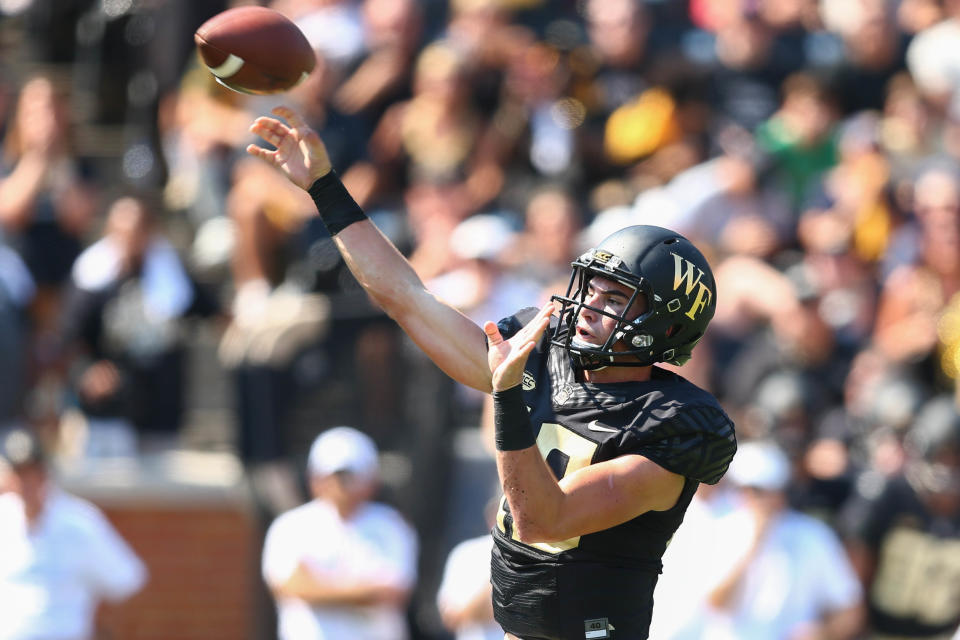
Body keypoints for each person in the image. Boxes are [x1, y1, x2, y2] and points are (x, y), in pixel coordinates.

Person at [246, 105, 737, 639]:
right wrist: (323, 187)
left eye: (615, 296)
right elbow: (405, 297)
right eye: (592, 285)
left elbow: (545, 519)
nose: (591, 304)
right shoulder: (544, 352)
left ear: (664, 327)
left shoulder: (677, 424)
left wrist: (505, 396)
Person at [666, 439, 864, 640]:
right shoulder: (717, 529)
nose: (755, 499)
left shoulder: (814, 535)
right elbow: (716, 604)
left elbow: (849, 610)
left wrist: (822, 633)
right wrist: (754, 544)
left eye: (762, 491)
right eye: (748, 490)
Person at [261, 426, 418, 640]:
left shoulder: (392, 524)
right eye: (335, 476)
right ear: (314, 478)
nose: (342, 486)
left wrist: (319, 585)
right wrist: (360, 590)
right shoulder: (290, 526)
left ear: (371, 480)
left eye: (351, 476)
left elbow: (392, 592)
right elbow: (291, 586)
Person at [0, 427, 147, 640]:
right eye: (18, 473)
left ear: (44, 473)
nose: (24, 483)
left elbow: (126, 580)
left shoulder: (80, 522)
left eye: (30, 473)